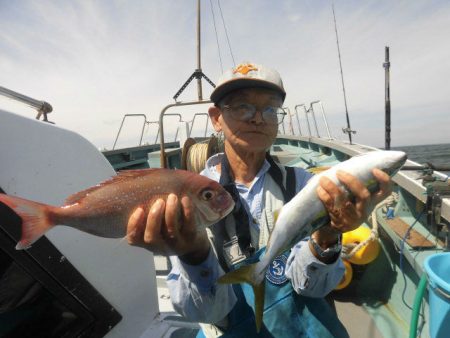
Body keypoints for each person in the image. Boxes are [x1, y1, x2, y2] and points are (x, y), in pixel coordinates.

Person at [126, 62, 391, 337]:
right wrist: (194, 254)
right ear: (216, 118)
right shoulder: (190, 199)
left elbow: (310, 288)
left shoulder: (302, 185)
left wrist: (327, 235)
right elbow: (208, 314)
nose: (258, 118)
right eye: (242, 107)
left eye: (270, 109)